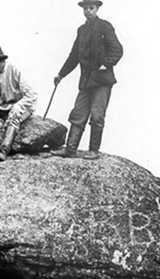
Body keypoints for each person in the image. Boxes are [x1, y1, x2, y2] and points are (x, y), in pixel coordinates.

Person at [51, 0, 123, 160]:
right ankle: (70, 149)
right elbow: (74, 56)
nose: (88, 11)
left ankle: (93, 150)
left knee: (97, 116)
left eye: (91, 8)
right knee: (78, 114)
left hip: (102, 81)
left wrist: (107, 63)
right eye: (85, 8)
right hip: (86, 81)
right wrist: (61, 74)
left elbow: (117, 49)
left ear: (97, 9)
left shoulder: (105, 26)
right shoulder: (81, 30)